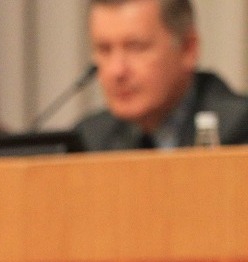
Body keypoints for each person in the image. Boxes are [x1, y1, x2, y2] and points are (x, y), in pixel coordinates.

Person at [75, 0, 248, 150]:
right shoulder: (89, 139)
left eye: (136, 47)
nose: (117, 71)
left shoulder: (240, 129)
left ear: (188, 49)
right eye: (104, 49)